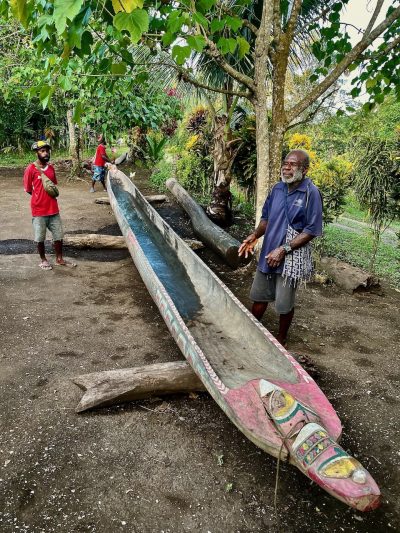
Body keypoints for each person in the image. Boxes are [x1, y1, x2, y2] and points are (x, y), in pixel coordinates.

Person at [238, 150, 322, 347]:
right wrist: (255, 235)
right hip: (268, 252)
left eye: (293, 164)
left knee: (284, 304)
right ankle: (251, 332)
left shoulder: (311, 193)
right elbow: (266, 218)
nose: (286, 167)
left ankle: (281, 340)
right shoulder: (277, 188)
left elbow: (311, 230)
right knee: (259, 296)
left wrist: (283, 249)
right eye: (285, 163)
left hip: (290, 256)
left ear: (305, 169)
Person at [24, 140, 76, 270]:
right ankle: (43, 259)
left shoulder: (51, 168)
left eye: (47, 151)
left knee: (58, 236)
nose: (45, 153)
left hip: (53, 209)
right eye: (42, 151)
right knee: (40, 237)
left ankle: (59, 258)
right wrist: (39, 198)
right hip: (39, 210)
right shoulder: (30, 169)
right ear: (37, 153)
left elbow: (53, 186)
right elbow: (28, 189)